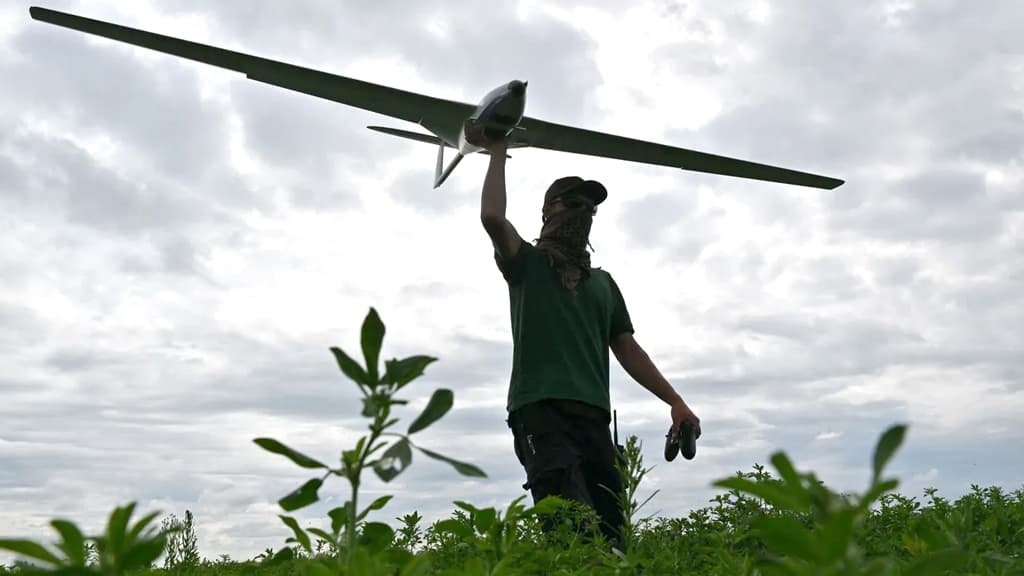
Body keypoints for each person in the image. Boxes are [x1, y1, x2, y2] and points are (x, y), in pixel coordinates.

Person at [478, 135, 701, 549]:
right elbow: (492, 216)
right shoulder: (526, 265)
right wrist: (496, 150)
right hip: (540, 414)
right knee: (572, 535)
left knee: (614, 539)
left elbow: (629, 350)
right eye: (572, 204)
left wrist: (675, 401)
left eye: (590, 208)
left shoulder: (603, 285)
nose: (583, 213)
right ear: (547, 211)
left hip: (593, 422)